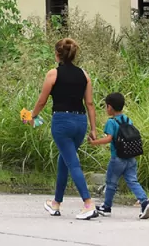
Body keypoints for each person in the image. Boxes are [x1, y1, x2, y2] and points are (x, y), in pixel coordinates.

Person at [26, 37, 99, 220]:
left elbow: (42, 101)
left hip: (62, 122)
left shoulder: (53, 74)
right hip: (80, 122)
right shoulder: (85, 74)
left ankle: (88, 203)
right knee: (65, 160)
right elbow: (89, 103)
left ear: (57, 55)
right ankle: (56, 203)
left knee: (72, 163)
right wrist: (93, 129)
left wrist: (32, 115)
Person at [88, 92, 149, 219]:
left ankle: (106, 207)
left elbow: (109, 139)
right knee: (132, 181)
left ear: (110, 107)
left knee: (111, 182)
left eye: (106, 106)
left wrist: (94, 142)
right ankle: (145, 202)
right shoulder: (127, 120)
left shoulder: (111, 122)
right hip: (130, 157)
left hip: (117, 158)